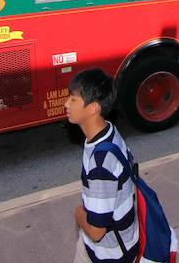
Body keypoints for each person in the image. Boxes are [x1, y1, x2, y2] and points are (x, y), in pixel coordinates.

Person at [65, 69, 139, 263]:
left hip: (109, 254)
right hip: (114, 242)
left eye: (73, 100)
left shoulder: (100, 165)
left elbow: (97, 232)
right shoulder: (109, 131)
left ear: (92, 109)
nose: (66, 104)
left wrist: (79, 214)